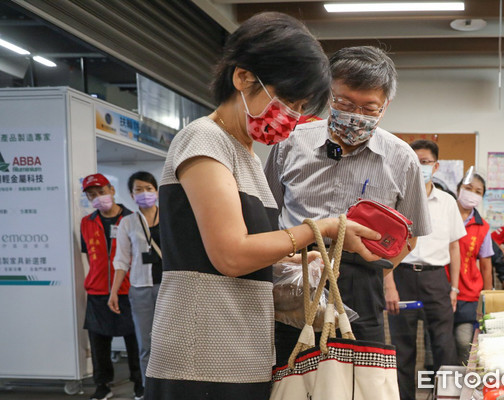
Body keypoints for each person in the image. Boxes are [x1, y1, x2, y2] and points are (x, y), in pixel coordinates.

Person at [144, 13, 381, 400]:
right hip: (200, 357)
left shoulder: (246, 155)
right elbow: (230, 256)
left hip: (242, 349)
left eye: (301, 106)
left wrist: (292, 263)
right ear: (242, 77)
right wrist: (320, 229)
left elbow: (232, 253)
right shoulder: (204, 141)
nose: (290, 116)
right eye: (287, 99)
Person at [265, 45, 431, 365]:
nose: (355, 115)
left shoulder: (401, 159)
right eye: (344, 102)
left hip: (361, 281)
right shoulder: (291, 142)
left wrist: (371, 268)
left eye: (369, 108)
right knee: (289, 373)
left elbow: (410, 237)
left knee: (357, 379)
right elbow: (266, 213)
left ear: (386, 105)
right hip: (294, 275)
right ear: (329, 93)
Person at [385, 140, 464, 400]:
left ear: (436, 166)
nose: (421, 166)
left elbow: (455, 248)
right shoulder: (396, 200)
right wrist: (390, 285)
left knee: (445, 346)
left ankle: (448, 398)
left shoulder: (448, 202)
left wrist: (454, 288)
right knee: (402, 349)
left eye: (426, 162)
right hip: (403, 276)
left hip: (436, 279)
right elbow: (387, 248)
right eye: (415, 161)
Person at [79, 173, 142, 400]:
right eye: (92, 195)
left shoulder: (133, 219)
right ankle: (102, 385)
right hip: (97, 291)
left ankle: (139, 383)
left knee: (135, 339)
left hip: (127, 289)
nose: (98, 198)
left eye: (101, 192)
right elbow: (89, 255)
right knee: (98, 342)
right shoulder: (86, 223)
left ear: (112, 190)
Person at [109, 171, 161, 396]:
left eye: (148, 188)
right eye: (139, 189)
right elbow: (121, 260)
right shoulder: (127, 223)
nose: (144, 193)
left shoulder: (170, 217)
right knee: (146, 346)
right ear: (131, 194)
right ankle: (149, 391)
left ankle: (170, 390)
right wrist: (113, 293)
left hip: (170, 287)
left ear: (156, 191)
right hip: (141, 289)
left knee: (172, 343)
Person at [452, 173, 493, 364]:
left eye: (478, 192)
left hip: (468, 294)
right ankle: (441, 389)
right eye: (468, 188)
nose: (472, 194)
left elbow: (486, 264)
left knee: (463, 341)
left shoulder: (483, 227)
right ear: (458, 188)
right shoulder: (444, 216)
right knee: (438, 344)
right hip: (439, 289)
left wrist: (487, 297)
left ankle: (463, 385)